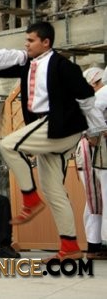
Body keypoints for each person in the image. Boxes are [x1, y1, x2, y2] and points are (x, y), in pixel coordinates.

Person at [0, 21, 104, 262]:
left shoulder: (63, 66)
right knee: (54, 190)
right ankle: (70, 247)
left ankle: (30, 198)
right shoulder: (29, 64)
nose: (26, 44)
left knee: (8, 145)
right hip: (48, 129)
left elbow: (87, 98)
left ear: (46, 42)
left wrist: (96, 129)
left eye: (31, 40)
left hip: (58, 127)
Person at [76, 67, 107, 259]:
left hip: (97, 151)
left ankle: (96, 244)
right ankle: (95, 246)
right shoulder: (98, 97)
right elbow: (89, 120)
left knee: (98, 200)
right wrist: (97, 134)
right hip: (91, 151)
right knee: (95, 199)